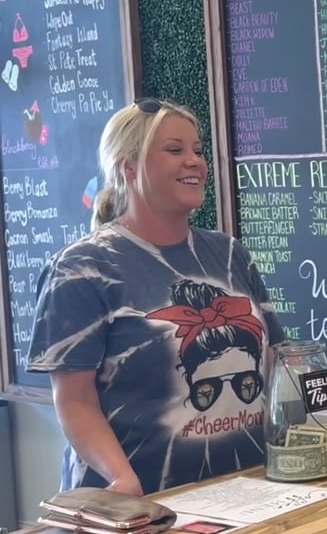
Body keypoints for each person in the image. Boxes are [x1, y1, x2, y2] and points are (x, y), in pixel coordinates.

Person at [27, 98, 294, 497]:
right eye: (174, 150)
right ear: (128, 167)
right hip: (140, 506)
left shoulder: (228, 254)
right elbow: (74, 401)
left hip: (248, 493)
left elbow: (280, 361)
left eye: (198, 150)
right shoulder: (82, 268)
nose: (195, 162)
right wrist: (121, 480)